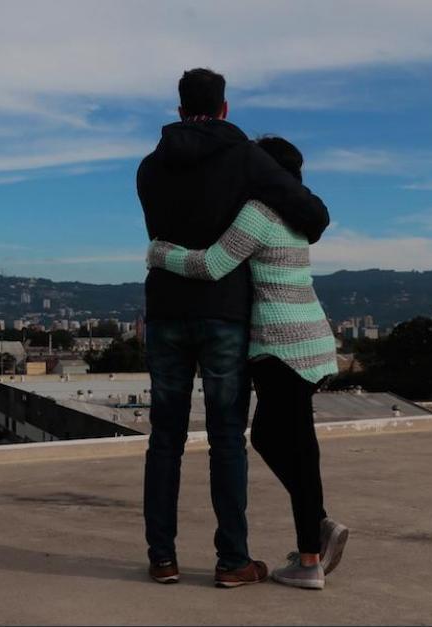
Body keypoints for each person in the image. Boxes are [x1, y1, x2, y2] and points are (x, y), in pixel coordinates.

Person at [137, 68, 330, 589]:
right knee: (226, 438)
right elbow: (313, 213)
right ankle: (232, 562)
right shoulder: (246, 157)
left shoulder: (149, 167)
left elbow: (164, 231)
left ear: (179, 110)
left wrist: (162, 254)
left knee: (165, 439)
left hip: (164, 310)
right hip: (223, 314)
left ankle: (163, 558)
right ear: (224, 108)